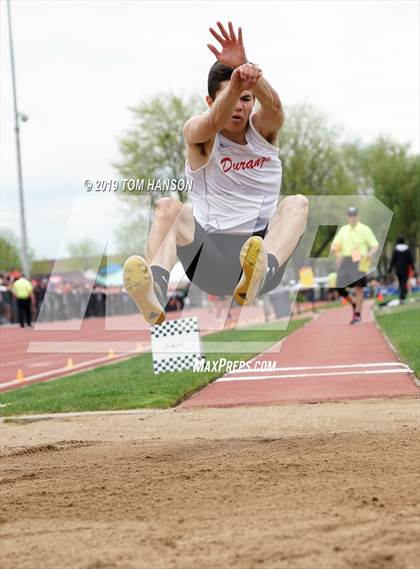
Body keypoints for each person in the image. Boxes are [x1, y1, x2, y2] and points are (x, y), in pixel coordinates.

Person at [123, 21, 308, 325]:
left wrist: (250, 72)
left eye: (245, 100)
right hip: (212, 257)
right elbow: (210, 123)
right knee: (169, 208)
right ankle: (154, 287)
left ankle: (262, 274)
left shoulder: (263, 132)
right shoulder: (201, 136)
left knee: (297, 203)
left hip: (261, 250)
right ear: (211, 101)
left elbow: (274, 105)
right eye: (230, 99)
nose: (238, 107)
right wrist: (237, 83)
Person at [330, 206, 379, 324]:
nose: (352, 217)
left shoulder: (365, 229)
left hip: (359, 260)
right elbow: (335, 245)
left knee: (358, 287)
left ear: (358, 216)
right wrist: (334, 250)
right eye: (350, 215)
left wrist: (369, 254)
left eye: (354, 215)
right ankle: (353, 303)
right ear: (347, 217)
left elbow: (375, 245)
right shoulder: (343, 230)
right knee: (339, 288)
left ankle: (357, 314)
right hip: (346, 260)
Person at [389, 237, 414, 303]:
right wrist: (412, 267)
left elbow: (393, 260)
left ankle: (402, 295)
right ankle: (402, 295)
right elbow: (410, 259)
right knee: (403, 282)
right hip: (405, 269)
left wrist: (390, 269)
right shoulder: (407, 250)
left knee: (401, 282)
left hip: (398, 269)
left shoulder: (395, 250)